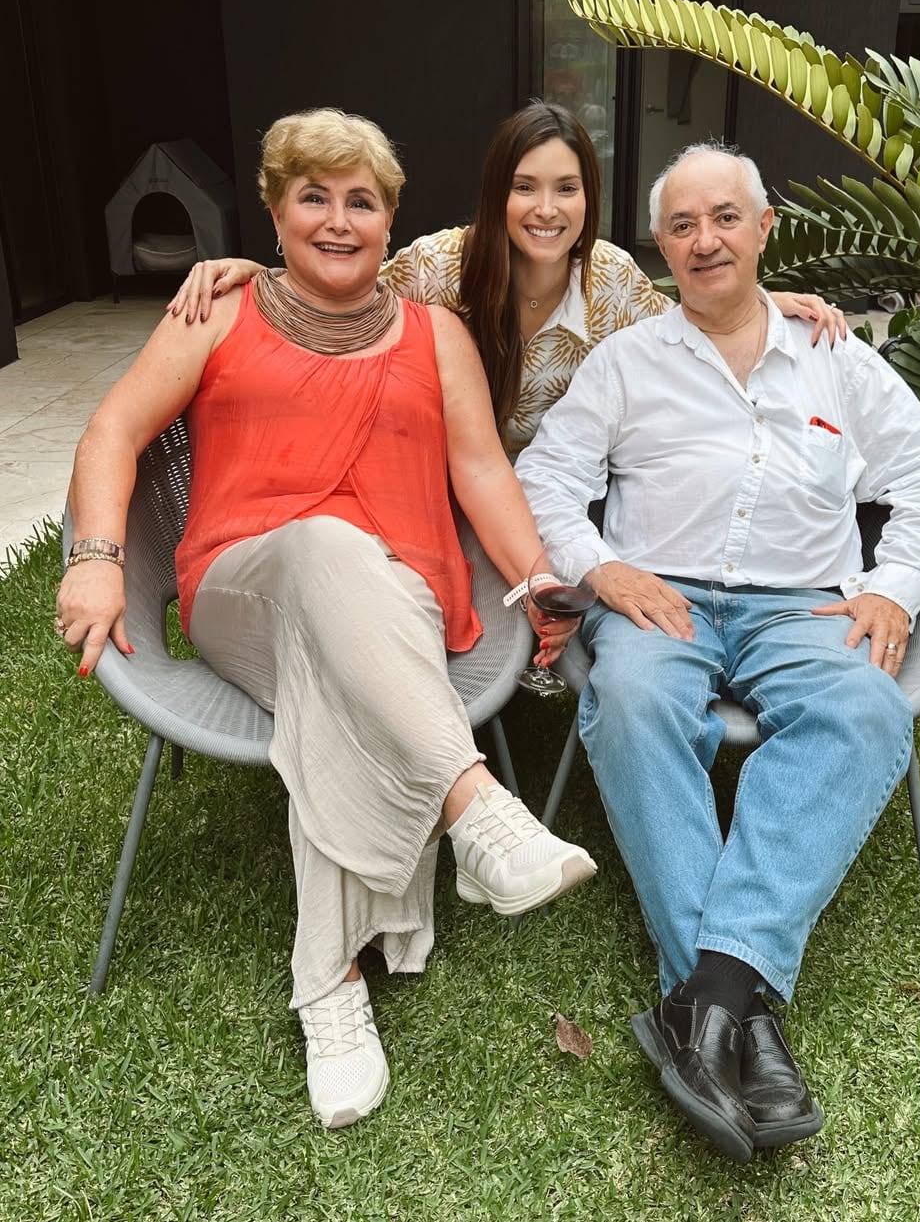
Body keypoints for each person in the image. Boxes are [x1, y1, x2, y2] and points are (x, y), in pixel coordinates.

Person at [54, 108, 597, 1130]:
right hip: (247, 583)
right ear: (274, 208)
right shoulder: (215, 311)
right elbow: (114, 428)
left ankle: (332, 989)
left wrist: (530, 580)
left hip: (399, 598)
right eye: (315, 197)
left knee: (331, 670)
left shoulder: (434, 333)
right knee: (320, 544)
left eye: (362, 201)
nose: (339, 220)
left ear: (392, 220)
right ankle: (471, 805)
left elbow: (481, 469)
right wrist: (94, 558)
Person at [514, 142, 920, 1160]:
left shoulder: (837, 357)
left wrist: (893, 585)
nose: (705, 239)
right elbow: (546, 476)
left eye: (725, 217)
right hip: (658, 596)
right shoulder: (628, 361)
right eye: (682, 225)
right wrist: (601, 569)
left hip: (801, 605)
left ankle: (707, 995)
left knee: (864, 710)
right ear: (663, 246)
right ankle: (737, 1005)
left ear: (765, 229)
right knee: (630, 699)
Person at [168, 102, 846, 455]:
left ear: (590, 199)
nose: (547, 210)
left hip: (565, 488)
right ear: (497, 196)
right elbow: (344, 295)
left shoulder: (609, 276)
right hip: (445, 479)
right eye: (525, 187)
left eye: (567, 189)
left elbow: (681, 323)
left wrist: (754, 300)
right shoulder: (439, 266)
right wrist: (267, 275)